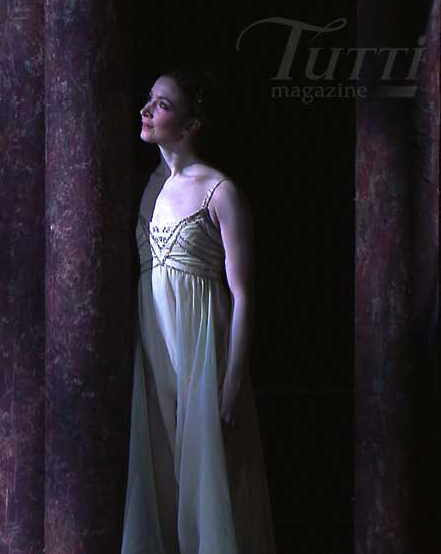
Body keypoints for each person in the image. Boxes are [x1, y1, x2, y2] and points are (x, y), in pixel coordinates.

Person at [121, 69, 277, 554]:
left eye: (162, 105)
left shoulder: (220, 191)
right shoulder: (148, 188)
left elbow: (243, 294)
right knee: (162, 482)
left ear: (190, 125)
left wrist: (231, 382)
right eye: (149, 99)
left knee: (209, 487)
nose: (146, 110)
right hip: (157, 356)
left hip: (203, 354)